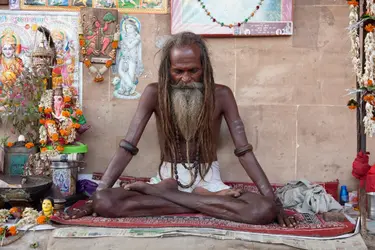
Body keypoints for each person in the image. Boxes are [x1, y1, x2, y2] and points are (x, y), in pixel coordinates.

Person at [65, 32, 297, 227]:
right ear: (168, 69)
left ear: (204, 68)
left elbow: (244, 151)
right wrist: (94, 198)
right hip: (168, 176)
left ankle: (166, 194)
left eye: (193, 71)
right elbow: (127, 146)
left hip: (209, 181)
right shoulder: (154, 93)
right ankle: (201, 201)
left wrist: (272, 201)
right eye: (178, 72)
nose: (186, 79)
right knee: (104, 201)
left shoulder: (222, 94)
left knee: (263, 210)